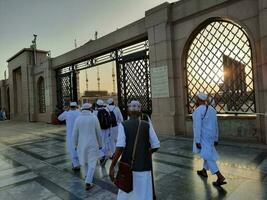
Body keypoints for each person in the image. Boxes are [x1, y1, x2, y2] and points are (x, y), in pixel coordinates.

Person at [109, 100, 160, 200]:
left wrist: (112, 166)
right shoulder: (147, 125)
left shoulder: (123, 125)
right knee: (143, 194)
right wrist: (145, 153)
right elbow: (156, 145)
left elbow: (120, 147)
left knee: (127, 195)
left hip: (127, 167)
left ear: (128, 111)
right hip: (144, 167)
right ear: (140, 111)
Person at [192, 92, 226, 187]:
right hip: (211, 136)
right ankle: (204, 171)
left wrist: (197, 140)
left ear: (198, 99)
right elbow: (216, 125)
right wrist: (216, 137)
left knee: (208, 155)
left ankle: (220, 176)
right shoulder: (212, 109)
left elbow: (197, 127)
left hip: (203, 137)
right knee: (207, 153)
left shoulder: (198, 111)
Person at [72, 103, 102, 190]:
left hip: (81, 144)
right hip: (93, 144)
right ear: (90, 109)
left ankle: (87, 177)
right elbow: (98, 132)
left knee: (84, 162)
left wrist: (74, 144)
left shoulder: (78, 119)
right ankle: (88, 182)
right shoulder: (94, 118)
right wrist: (100, 144)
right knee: (92, 162)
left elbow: (74, 133)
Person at [58, 102, 81, 170]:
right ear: (76, 106)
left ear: (70, 106)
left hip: (70, 134)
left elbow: (59, 118)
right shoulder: (79, 112)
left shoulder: (67, 113)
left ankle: (76, 164)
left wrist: (65, 110)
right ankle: (79, 162)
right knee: (79, 148)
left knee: (72, 148)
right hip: (79, 134)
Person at [96, 99, 111, 166]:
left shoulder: (96, 112)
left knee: (100, 142)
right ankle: (104, 154)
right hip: (107, 128)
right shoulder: (106, 110)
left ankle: (102, 156)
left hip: (100, 129)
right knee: (105, 141)